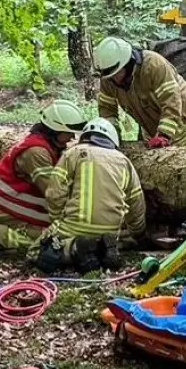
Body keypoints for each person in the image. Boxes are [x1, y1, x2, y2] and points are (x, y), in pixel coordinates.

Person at [39, 117, 145, 273]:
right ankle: (101, 248)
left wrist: (57, 219)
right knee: (108, 238)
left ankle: (74, 248)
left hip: (76, 225)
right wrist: (138, 233)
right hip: (111, 228)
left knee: (37, 250)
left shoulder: (73, 153)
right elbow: (136, 201)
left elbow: (55, 192)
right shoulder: (124, 161)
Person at [0, 100, 85, 252]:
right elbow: (53, 193)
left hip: (6, 196)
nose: (72, 137)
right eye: (68, 133)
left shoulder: (44, 145)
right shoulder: (36, 152)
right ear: (54, 130)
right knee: (51, 236)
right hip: (0, 203)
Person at [92, 36, 186, 148]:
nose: (113, 79)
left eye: (117, 73)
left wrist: (164, 135)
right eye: (109, 76)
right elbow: (107, 110)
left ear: (127, 63)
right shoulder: (108, 79)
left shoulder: (154, 65)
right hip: (153, 128)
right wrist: (111, 136)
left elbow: (171, 101)